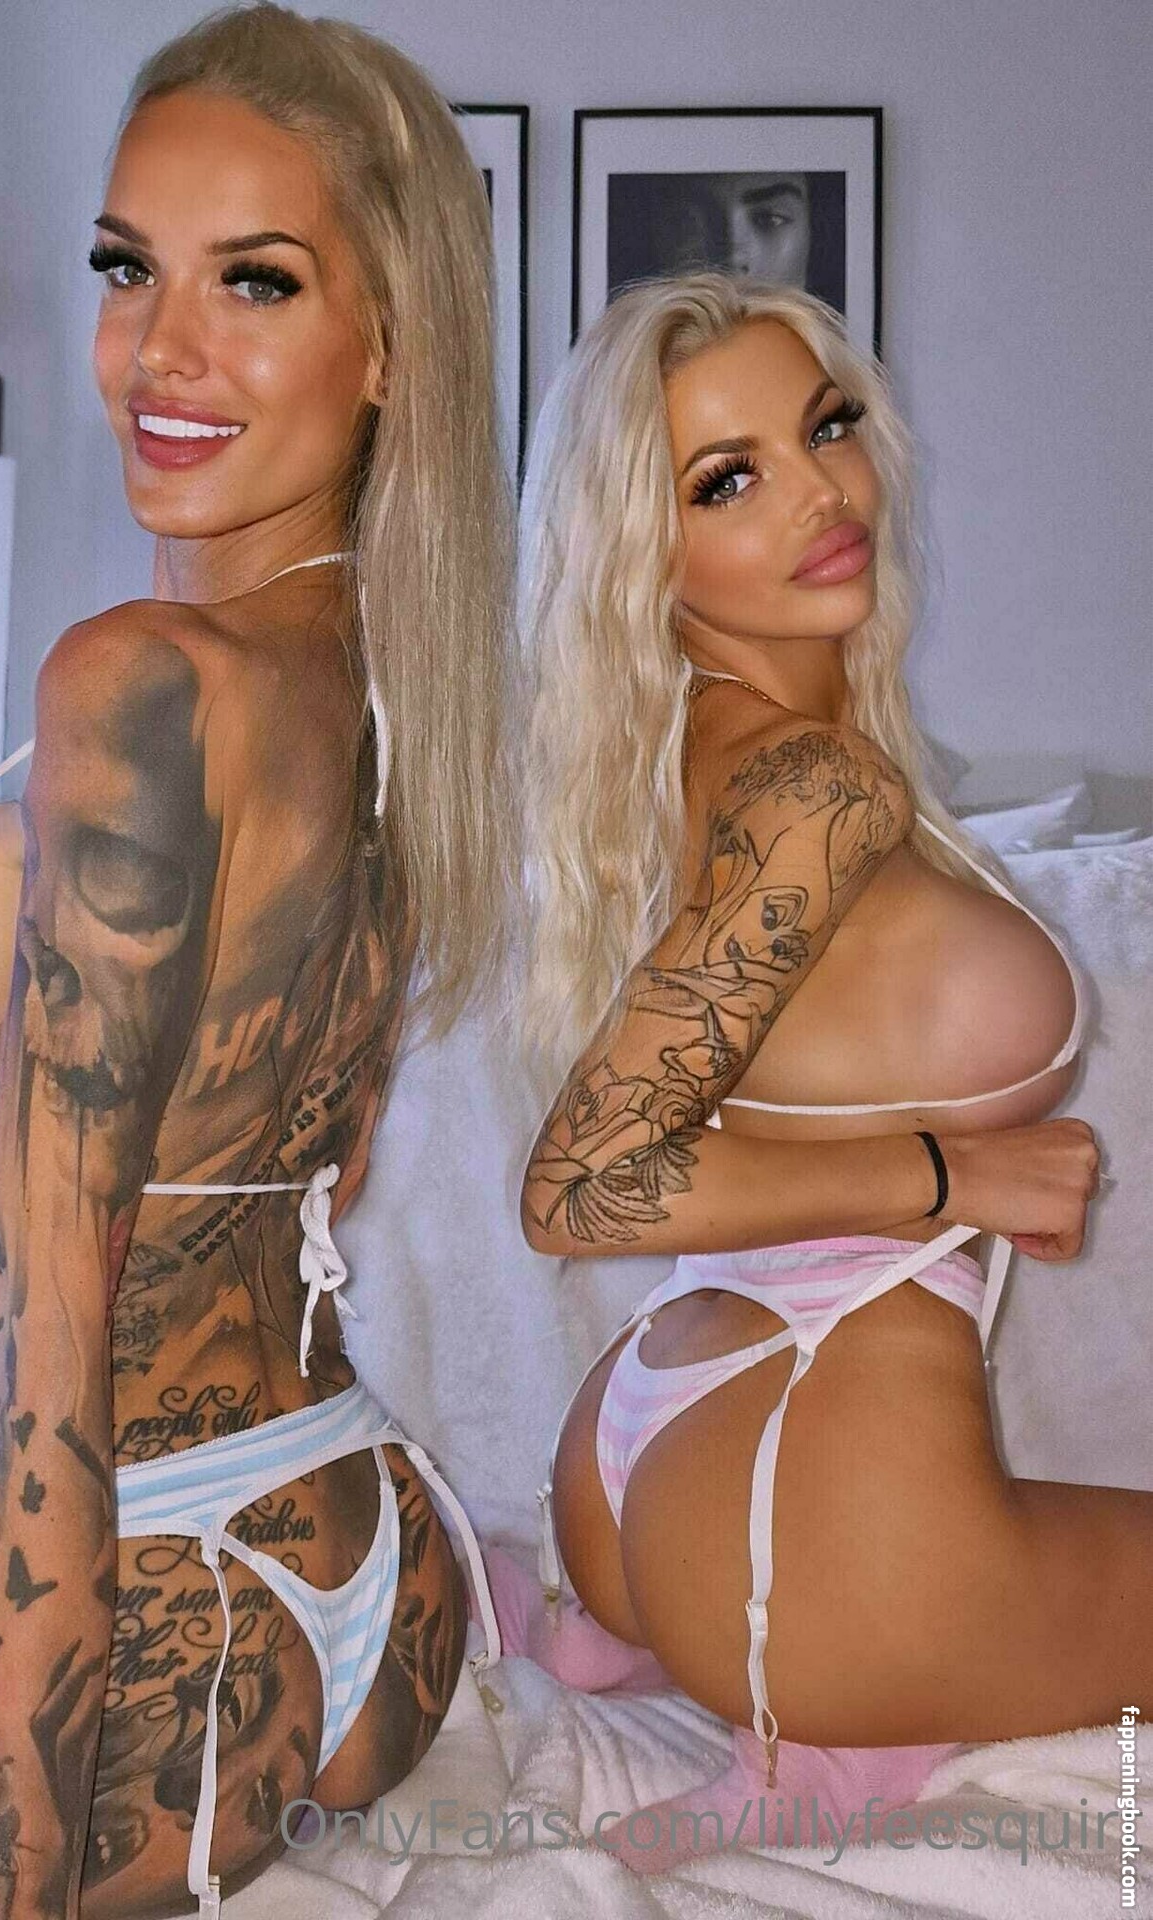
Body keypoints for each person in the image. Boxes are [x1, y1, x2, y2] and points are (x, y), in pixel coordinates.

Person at [497, 270, 1148, 1874]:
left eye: (825, 427)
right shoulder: (811, 788)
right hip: (816, 1529)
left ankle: (631, 1643)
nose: (818, 493)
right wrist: (951, 1173)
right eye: (727, 480)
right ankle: (830, 1733)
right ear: (643, 551)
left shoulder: (687, 762)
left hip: (660, 1463)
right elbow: (584, 1181)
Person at [0, 5, 513, 1914]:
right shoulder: (386, 694)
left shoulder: (141, 687)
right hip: (367, 1575)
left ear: (391, 345)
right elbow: (305, 1164)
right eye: (128, 267)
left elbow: (47, 1369)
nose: (160, 351)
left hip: (150, 1620)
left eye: (256, 280)